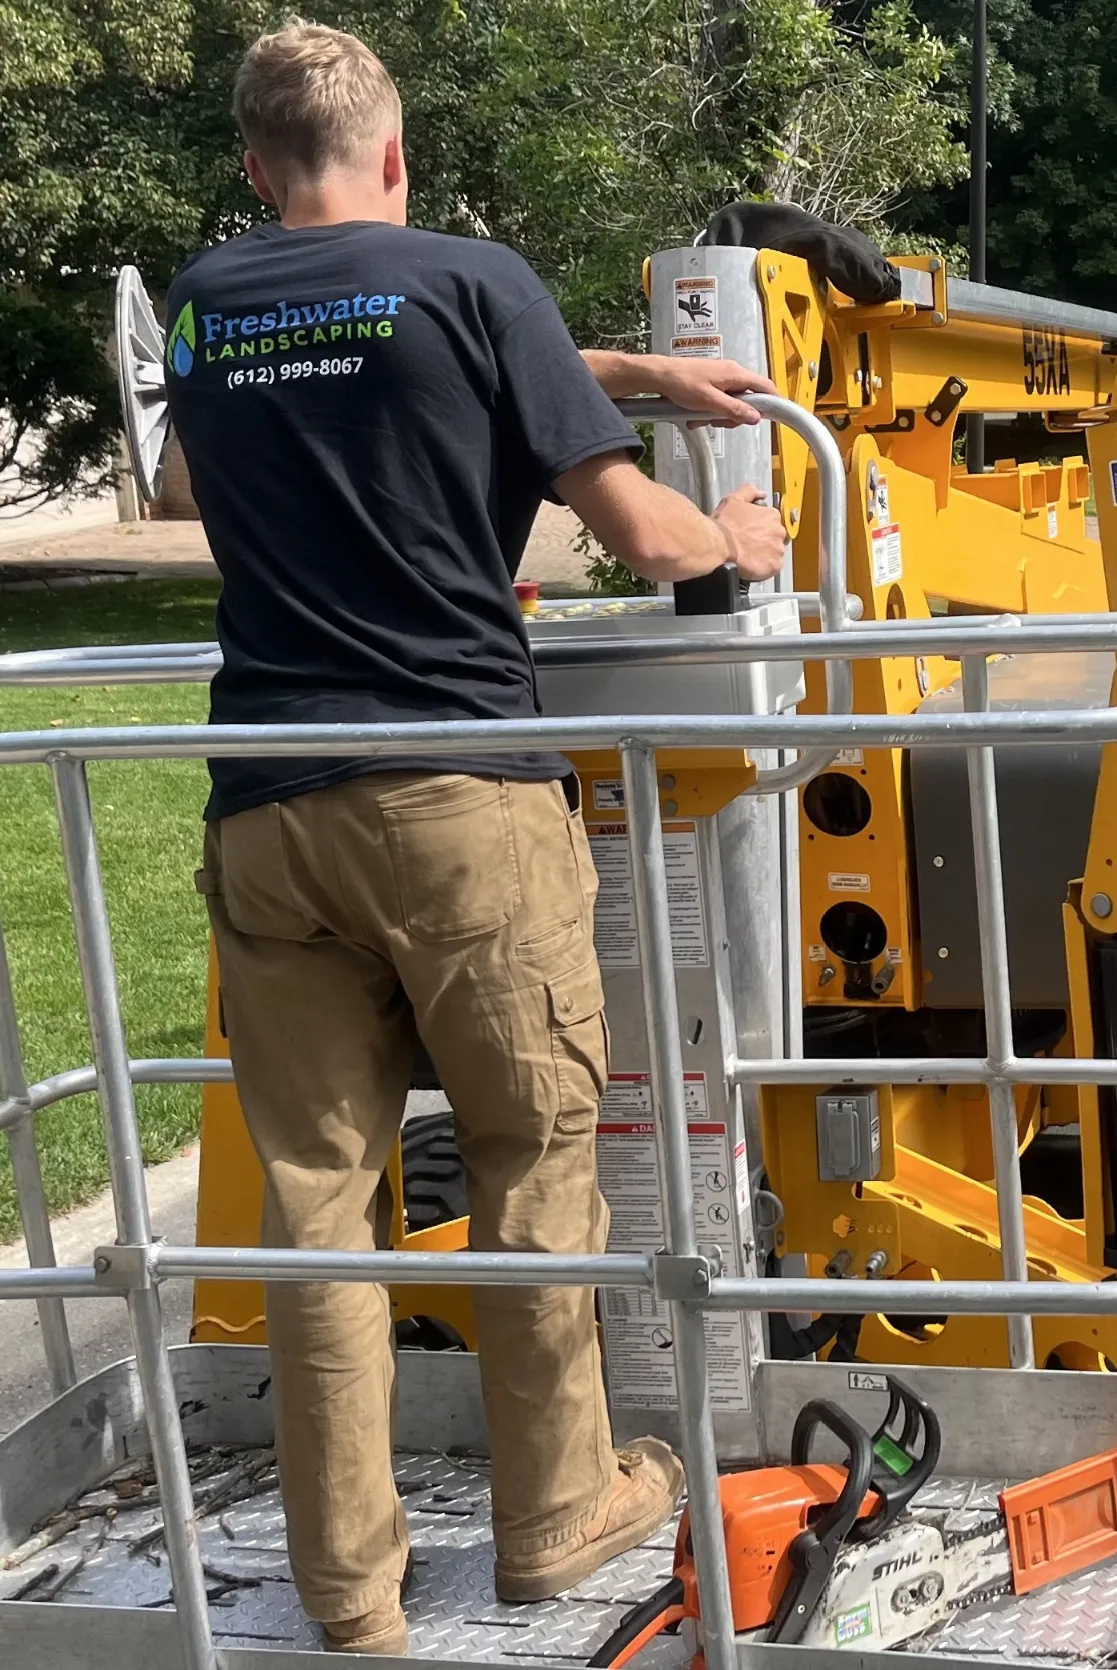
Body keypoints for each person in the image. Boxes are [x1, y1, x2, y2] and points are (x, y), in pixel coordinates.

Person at [163, 19, 786, 1658]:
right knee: (529, 1163)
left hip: (267, 807)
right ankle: (553, 1511)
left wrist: (626, 374)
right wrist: (729, 524)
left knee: (314, 1209)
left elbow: (200, 472)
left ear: (252, 165)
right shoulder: (471, 274)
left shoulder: (207, 304)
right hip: (457, 796)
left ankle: (349, 1594)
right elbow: (644, 537)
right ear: (395, 155)